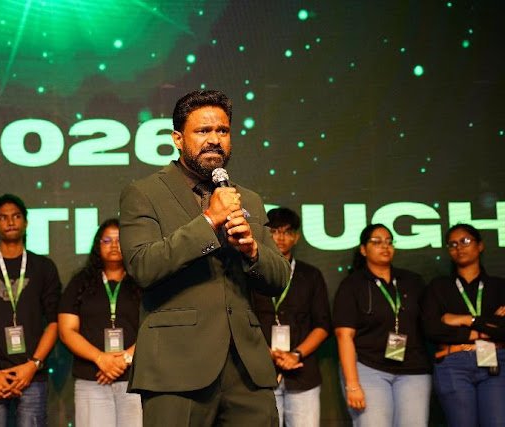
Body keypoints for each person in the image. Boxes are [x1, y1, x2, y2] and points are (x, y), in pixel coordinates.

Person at [119, 89, 290, 426]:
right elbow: (143, 266)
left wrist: (252, 251)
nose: (214, 139)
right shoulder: (144, 192)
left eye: (222, 131)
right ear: (178, 139)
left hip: (246, 369)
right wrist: (209, 221)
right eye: (203, 130)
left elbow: (279, 279)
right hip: (176, 366)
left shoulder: (248, 199)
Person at [0, 194, 61, 426]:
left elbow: (54, 323)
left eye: (16, 216)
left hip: (32, 375)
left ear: (25, 222)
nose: (10, 222)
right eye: (3, 217)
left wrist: (33, 365)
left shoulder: (43, 267)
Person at [333, 224, 431, 427]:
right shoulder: (353, 284)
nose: (385, 246)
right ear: (363, 249)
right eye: (376, 242)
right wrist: (352, 384)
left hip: (413, 369)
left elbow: (432, 320)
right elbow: (344, 336)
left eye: (389, 242)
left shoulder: (412, 281)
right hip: (369, 367)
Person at [58, 218, 142, 427]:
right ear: (98, 245)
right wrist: (100, 358)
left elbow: (153, 327)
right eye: (107, 240)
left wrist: (125, 358)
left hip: (134, 380)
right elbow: (67, 330)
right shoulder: (80, 283)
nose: (113, 245)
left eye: (119, 240)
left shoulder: (142, 280)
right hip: (92, 379)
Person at [252, 207, 330, 427]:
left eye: (287, 232)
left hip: (303, 373)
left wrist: (296, 354)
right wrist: (267, 352)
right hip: (261, 373)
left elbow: (323, 325)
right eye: (275, 231)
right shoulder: (251, 273)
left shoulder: (311, 275)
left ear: (296, 237)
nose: (281, 237)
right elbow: (241, 322)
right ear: (265, 233)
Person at [422, 223, 505, 427]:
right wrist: (485, 327)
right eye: (452, 244)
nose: (459, 247)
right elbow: (432, 330)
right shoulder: (438, 287)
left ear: (480, 246)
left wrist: (466, 320)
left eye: (465, 241)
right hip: (453, 363)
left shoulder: (499, 286)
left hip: (495, 360)